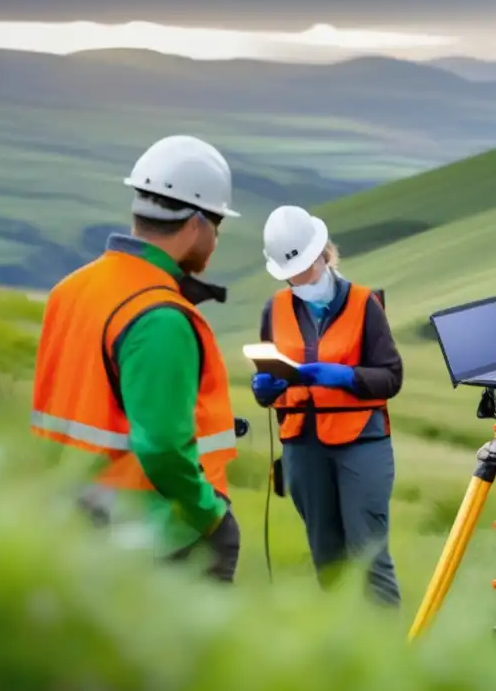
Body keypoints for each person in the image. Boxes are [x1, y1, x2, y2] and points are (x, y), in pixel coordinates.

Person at [30, 134, 242, 582]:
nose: (216, 240)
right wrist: (209, 517)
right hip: (157, 536)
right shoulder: (159, 317)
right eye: (218, 227)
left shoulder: (70, 290)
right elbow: (161, 446)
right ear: (197, 225)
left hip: (70, 523)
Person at [252, 204, 403, 606]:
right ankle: (343, 651)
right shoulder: (275, 309)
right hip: (301, 445)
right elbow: (268, 376)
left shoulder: (364, 303)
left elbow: (391, 377)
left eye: (305, 268)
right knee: (326, 557)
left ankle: (387, 657)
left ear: (324, 253)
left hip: (361, 442)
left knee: (369, 555)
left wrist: (346, 378)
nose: (300, 280)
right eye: (291, 275)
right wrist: (265, 389)